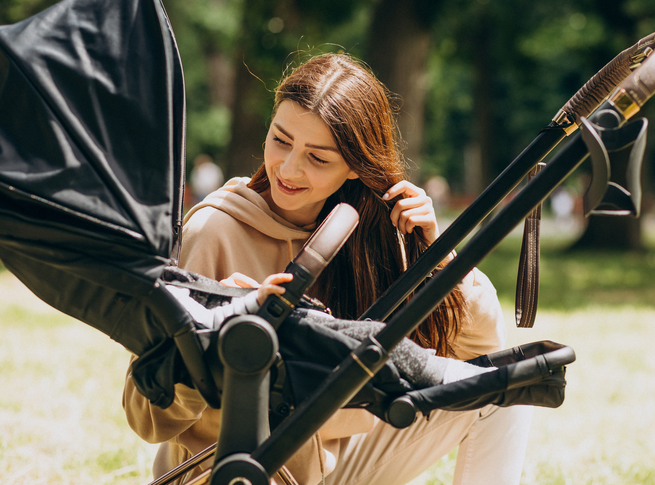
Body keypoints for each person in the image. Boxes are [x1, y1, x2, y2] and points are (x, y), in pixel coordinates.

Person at [123, 53, 533, 485]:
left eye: (318, 158)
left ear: (356, 166)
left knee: (503, 390)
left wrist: (438, 256)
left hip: (329, 466)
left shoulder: (369, 234)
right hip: (231, 474)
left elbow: (481, 346)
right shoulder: (212, 231)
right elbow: (145, 416)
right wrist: (218, 334)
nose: (289, 167)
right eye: (281, 140)